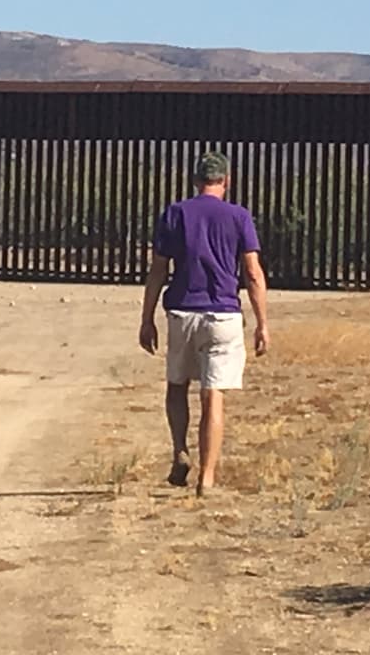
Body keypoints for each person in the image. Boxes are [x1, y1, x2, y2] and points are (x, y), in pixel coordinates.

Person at [138, 151, 269, 497]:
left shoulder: (175, 213)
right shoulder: (239, 217)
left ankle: (180, 450)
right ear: (226, 180)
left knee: (177, 384)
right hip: (223, 314)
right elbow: (253, 273)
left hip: (182, 310)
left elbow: (158, 270)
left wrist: (147, 318)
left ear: (196, 180)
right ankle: (207, 478)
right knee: (213, 397)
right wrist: (262, 323)